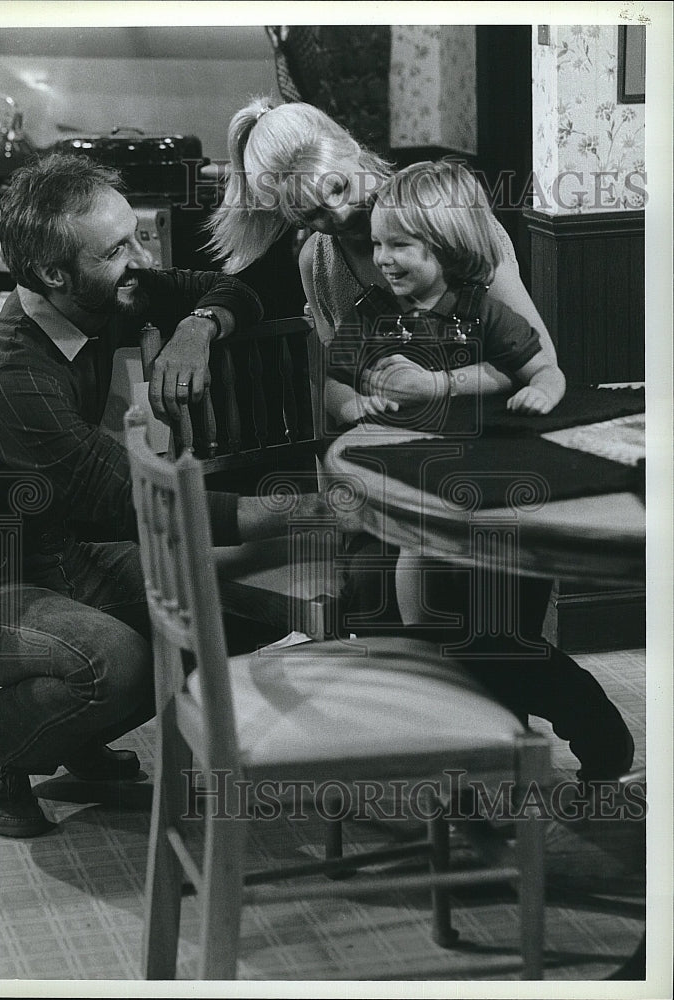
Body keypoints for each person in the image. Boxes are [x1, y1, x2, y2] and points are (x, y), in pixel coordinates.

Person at [205, 98, 635, 784]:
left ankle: (584, 730)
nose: (336, 219)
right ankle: (461, 769)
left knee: (482, 627)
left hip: (494, 455)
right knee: (376, 610)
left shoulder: (437, 212)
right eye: (308, 214)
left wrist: (432, 389)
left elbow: (534, 357)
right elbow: (346, 388)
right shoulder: (318, 257)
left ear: (348, 149)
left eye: (338, 194)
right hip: (402, 466)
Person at [0, 153, 330, 838]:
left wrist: (196, 330)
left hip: (63, 550)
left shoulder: (107, 289)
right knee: (116, 661)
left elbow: (230, 290)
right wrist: (304, 511)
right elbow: (129, 503)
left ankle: (69, 729)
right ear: (56, 274)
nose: (141, 260)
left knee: (241, 606)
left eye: (134, 235)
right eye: (119, 249)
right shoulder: (10, 378)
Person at [330, 159, 566, 428]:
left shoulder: (484, 312)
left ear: (447, 245)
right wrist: (353, 406)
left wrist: (542, 392)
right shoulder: (370, 313)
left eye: (399, 245)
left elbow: (545, 369)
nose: (382, 258)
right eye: (377, 243)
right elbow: (334, 381)